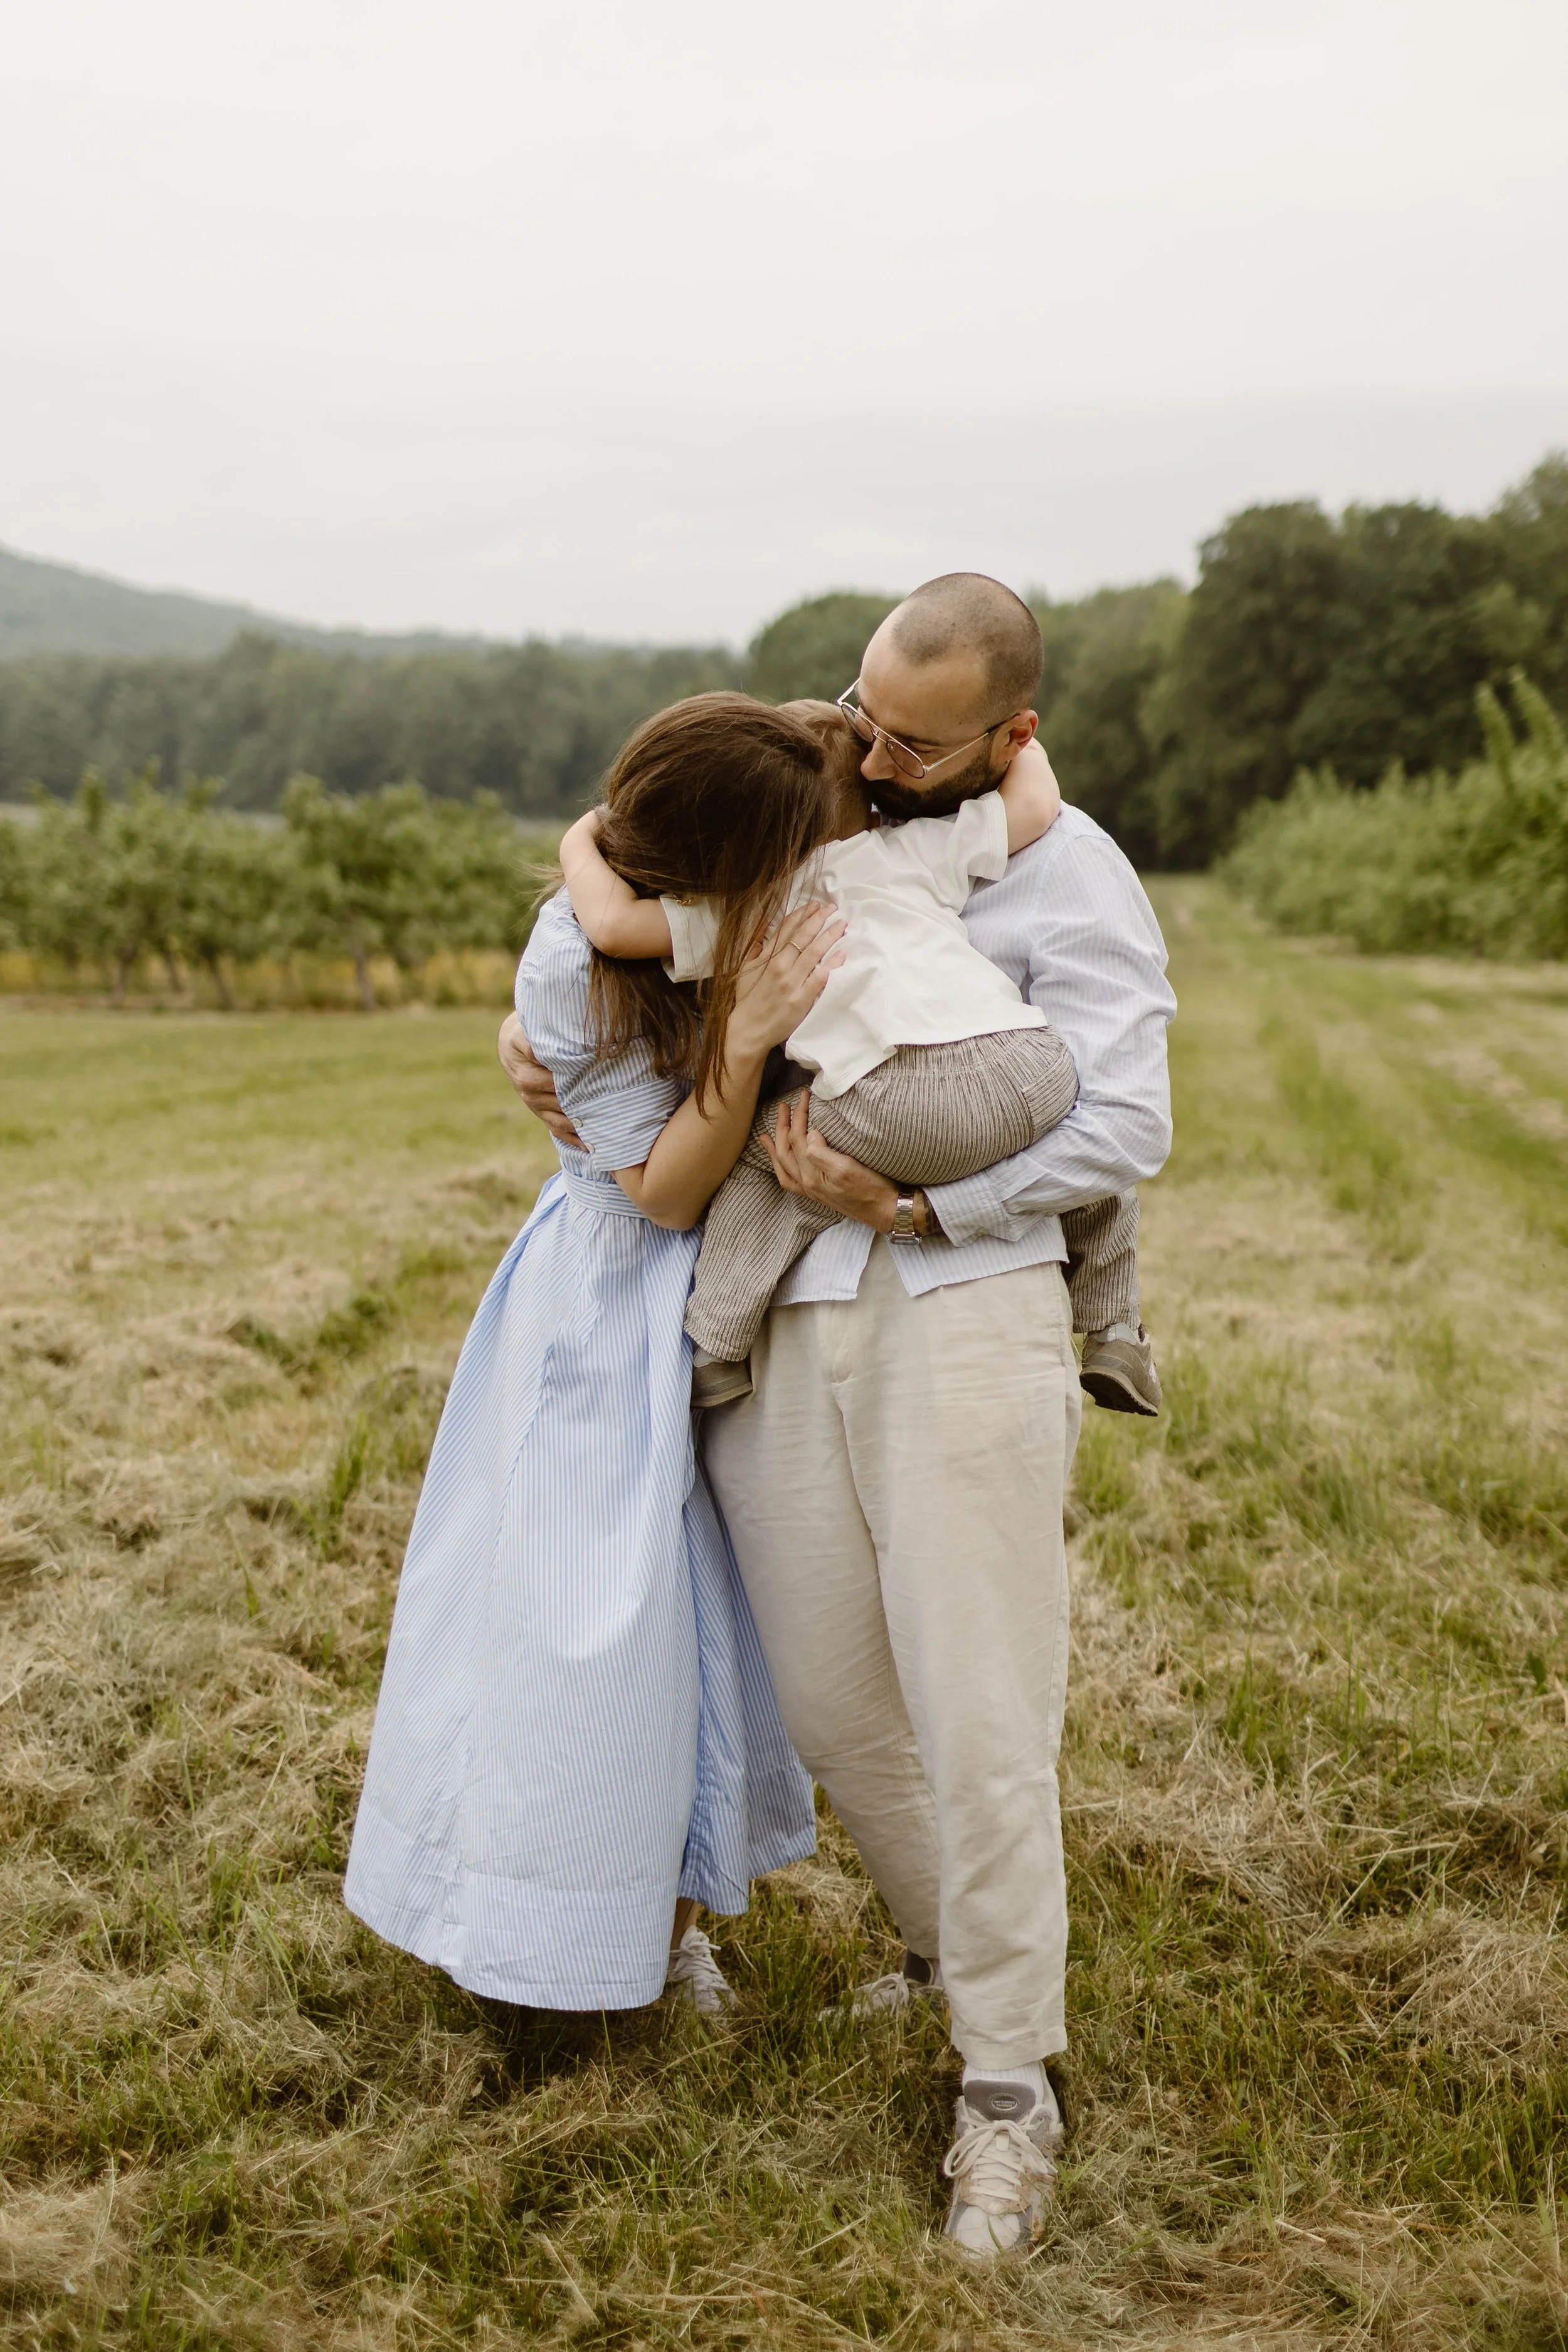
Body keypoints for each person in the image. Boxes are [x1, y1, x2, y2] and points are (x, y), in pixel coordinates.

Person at [500, 573, 1176, 2261]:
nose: (877, 747)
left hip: (955, 1300)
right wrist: (551, 1040)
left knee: (977, 1707)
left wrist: (911, 1203)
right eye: (864, 710)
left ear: (1007, 737)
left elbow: (1122, 1119)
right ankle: (964, 1961)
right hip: (769, 1321)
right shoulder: (820, 800)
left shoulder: (1056, 866)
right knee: (836, 1701)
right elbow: (650, 927)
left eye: (915, 735)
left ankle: (1007, 2091)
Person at [344, 695, 843, 2018]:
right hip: (608, 1318)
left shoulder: (709, 911)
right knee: (595, 1639)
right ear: (719, 860)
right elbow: (660, 1196)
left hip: (736, 1301)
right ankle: (548, 1929)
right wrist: (737, 1049)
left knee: (711, 1633)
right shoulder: (577, 967)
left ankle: (668, 1912)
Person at [558, 704, 1148, 1409]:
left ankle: (716, 1343)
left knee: (766, 1151)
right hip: (1029, 1067)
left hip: (894, 1100)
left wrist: (582, 834)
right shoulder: (917, 850)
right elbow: (1036, 800)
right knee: (1083, 1163)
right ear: (871, 809)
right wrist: (1016, 736)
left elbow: (613, 927)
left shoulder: (751, 906)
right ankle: (1114, 1327)